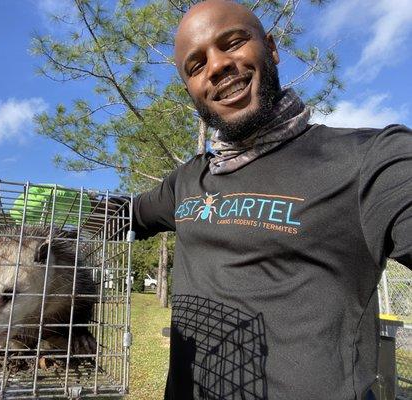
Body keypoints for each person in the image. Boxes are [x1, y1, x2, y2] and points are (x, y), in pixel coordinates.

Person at [131, 1, 412, 399]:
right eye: (195, 66)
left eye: (232, 42)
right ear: (191, 89)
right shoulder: (187, 182)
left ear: (271, 48)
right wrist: (43, 210)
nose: (216, 66)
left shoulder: (368, 160)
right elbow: (121, 215)